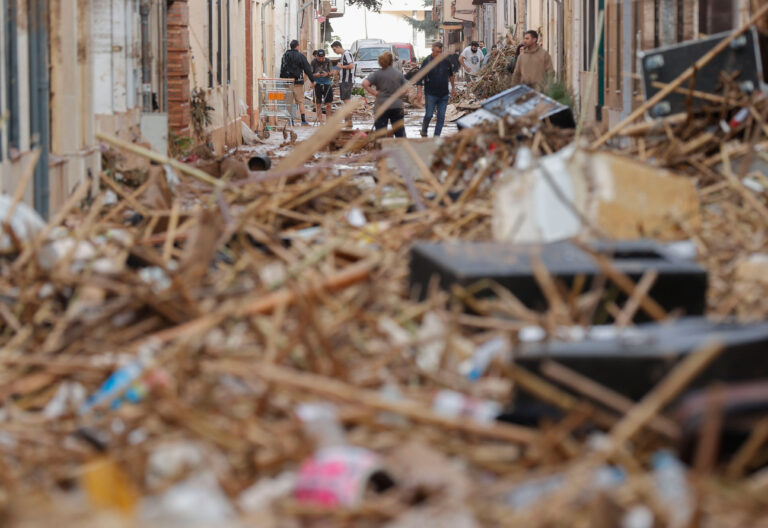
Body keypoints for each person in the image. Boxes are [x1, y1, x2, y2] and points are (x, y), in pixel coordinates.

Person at [362, 52, 407, 138]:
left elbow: (365, 84)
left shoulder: (377, 74)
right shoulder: (398, 74)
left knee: (380, 133)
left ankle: (381, 146)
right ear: (392, 62)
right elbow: (405, 89)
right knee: (399, 133)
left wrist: (375, 93)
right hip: (396, 105)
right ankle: (401, 146)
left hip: (381, 105)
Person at [416, 42, 455, 138]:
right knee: (429, 115)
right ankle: (424, 130)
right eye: (437, 52)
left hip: (444, 95)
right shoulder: (427, 61)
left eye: (440, 52)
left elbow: (451, 75)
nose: (439, 54)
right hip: (431, 94)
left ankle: (436, 137)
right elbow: (419, 77)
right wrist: (419, 92)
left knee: (441, 117)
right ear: (432, 50)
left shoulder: (446, 61)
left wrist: (453, 88)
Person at [280, 40, 315, 126]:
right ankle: (303, 120)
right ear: (297, 46)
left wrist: (283, 79)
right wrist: (312, 80)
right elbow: (307, 69)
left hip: (287, 81)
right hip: (298, 82)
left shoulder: (285, 56)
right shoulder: (300, 56)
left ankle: (290, 120)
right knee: (300, 101)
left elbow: (282, 68)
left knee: (289, 101)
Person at [331, 40, 355, 128]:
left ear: (338, 47)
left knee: (346, 100)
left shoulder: (347, 54)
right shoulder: (343, 56)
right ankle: (347, 120)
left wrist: (341, 67)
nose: (334, 51)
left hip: (347, 80)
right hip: (343, 80)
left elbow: (351, 65)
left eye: (334, 49)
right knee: (345, 100)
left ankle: (349, 121)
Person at [311, 49, 333, 124]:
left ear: (324, 56)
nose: (321, 59)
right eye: (319, 58)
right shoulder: (313, 62)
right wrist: (316, 75)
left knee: (328, 104)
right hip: (317, 83)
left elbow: (332, 73)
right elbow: (310, 74)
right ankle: (320, 121)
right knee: (318, 104)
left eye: (322, 58)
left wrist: (327, 74)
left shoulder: (328, 61)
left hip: (327, 83)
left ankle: (328, 121)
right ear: (316, 56)